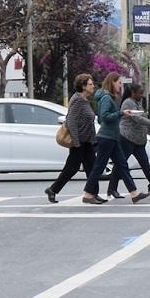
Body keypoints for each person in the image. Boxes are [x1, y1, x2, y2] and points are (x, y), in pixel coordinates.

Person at [83, 73, 150, 204]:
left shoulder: (111, 97)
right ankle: (87, 194)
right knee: (99, 166)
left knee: (123, 165)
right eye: (119, 83)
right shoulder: (107, 98)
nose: (121, 86)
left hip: (113, 137)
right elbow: (103, 117)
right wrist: (121, 113)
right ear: (112, 82)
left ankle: (134, 193)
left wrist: (122, 114)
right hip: (106, 137)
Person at [107, 83, 150, 198]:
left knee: (145, 164)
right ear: (133, 92)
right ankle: (112, 189)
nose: (141, 95)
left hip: (138, 140)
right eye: (139, 93)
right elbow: (138, 118)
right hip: (127, 138)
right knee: (120, 165)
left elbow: (142, 116)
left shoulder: (137, 102)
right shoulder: (128, 102)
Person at [46, 74, 102, 204]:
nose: (93, 86)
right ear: (83, 86)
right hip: (80, 142)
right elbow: (71, 121)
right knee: (72, 168)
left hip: (87, 141)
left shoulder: (84, 100)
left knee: (92, 168)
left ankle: (93, 194)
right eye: (90, 84)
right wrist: (76, 142)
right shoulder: (77, 100)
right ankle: (53, 189)